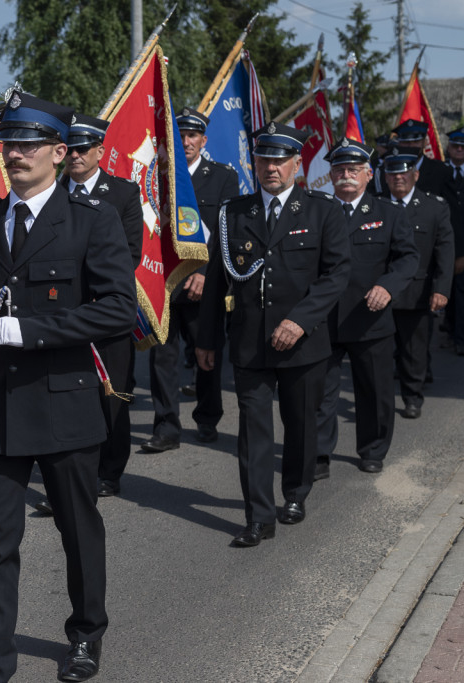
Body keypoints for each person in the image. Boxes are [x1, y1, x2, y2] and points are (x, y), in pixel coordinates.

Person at [0, 92, 136, 682]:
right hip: (0, 408)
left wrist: (32, 330)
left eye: (28, 143)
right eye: (8, 143)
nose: (14, 153)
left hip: (66, 402)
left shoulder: (94, 221)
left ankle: (86, 634)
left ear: (60, 152)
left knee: (77, 528)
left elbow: (117, 310)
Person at [195, 122, 349, 547]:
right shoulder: (233, 213)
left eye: (280, 160)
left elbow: (336, 275)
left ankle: (296, 492)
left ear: (297, 164)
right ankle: (259, 517)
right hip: (249, 342)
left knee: (300, 425)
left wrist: (299, 320)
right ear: (255, 162)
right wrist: (207, 340)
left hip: (303, 341)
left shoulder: (323, 210)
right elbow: (216, 283)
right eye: (264, 159)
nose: (271, 167)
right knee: (253, 431)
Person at [315, 138, 418, 478]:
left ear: (368, 174)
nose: (346, 175)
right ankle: (318, 454)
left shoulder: (388, 213)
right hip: (324, 319)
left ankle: (373, 449)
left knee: (374, 390)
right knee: (320, 393)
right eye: (340, 169)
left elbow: (408, 258)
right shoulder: (317, 211)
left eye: (353, 170)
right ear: (330, 175)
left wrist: (387, 287)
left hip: (370, 318)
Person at [144, 107, 238, 453]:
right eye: (180, 136)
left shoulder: (222, 176)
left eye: (193, 136)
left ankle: (208, 416)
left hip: (203, 284)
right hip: (164, 282)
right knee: (162, 358)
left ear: (204, 140)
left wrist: (202, 272)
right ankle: (166, 426)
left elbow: (225, 232)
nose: (186, 142)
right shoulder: (158, 176)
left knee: (207, 354)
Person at [61, 112, 142, 498]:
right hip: (63, 313)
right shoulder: (53, 193)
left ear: (100, 151)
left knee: (113, 397)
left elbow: (130, 254)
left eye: (82, 148)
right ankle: (75, 477)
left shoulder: (123, 193)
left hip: (105, 310)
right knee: (70, 396)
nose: (75, 155)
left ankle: (109, 471)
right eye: (69, 149)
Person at [383, 147, 454, 418]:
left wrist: (441, 290)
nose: (398, 178)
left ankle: (413, 396)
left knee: (414, 350)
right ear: (385, 176)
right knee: (380, 351)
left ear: (415, 174)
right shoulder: (375, 204)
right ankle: (380, 400)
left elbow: (444, 252)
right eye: (392, 173)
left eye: (403, 173)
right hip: (380, 293)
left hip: (418, 292)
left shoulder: (434, 207)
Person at [441, 126, 464, 356]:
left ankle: (461, 339)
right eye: (455, 145)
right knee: (448, 289)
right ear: (448, 147)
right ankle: (451, 328)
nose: (459, 149)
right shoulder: (439, 172)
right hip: (443, 242)